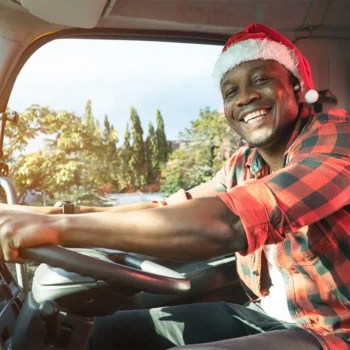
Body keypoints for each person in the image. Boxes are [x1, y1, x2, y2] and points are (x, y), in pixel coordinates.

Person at [0, 23, 349, 349]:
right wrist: (33, 214)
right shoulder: (245, 163)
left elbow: (228, 224)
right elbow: (164, 211)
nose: (244, 98)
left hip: (332, 333)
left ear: (297, 88)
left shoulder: (336, 139)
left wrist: (56, 229)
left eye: (260, 80)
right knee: (105, 336)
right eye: (231, 91)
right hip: (267, 315)